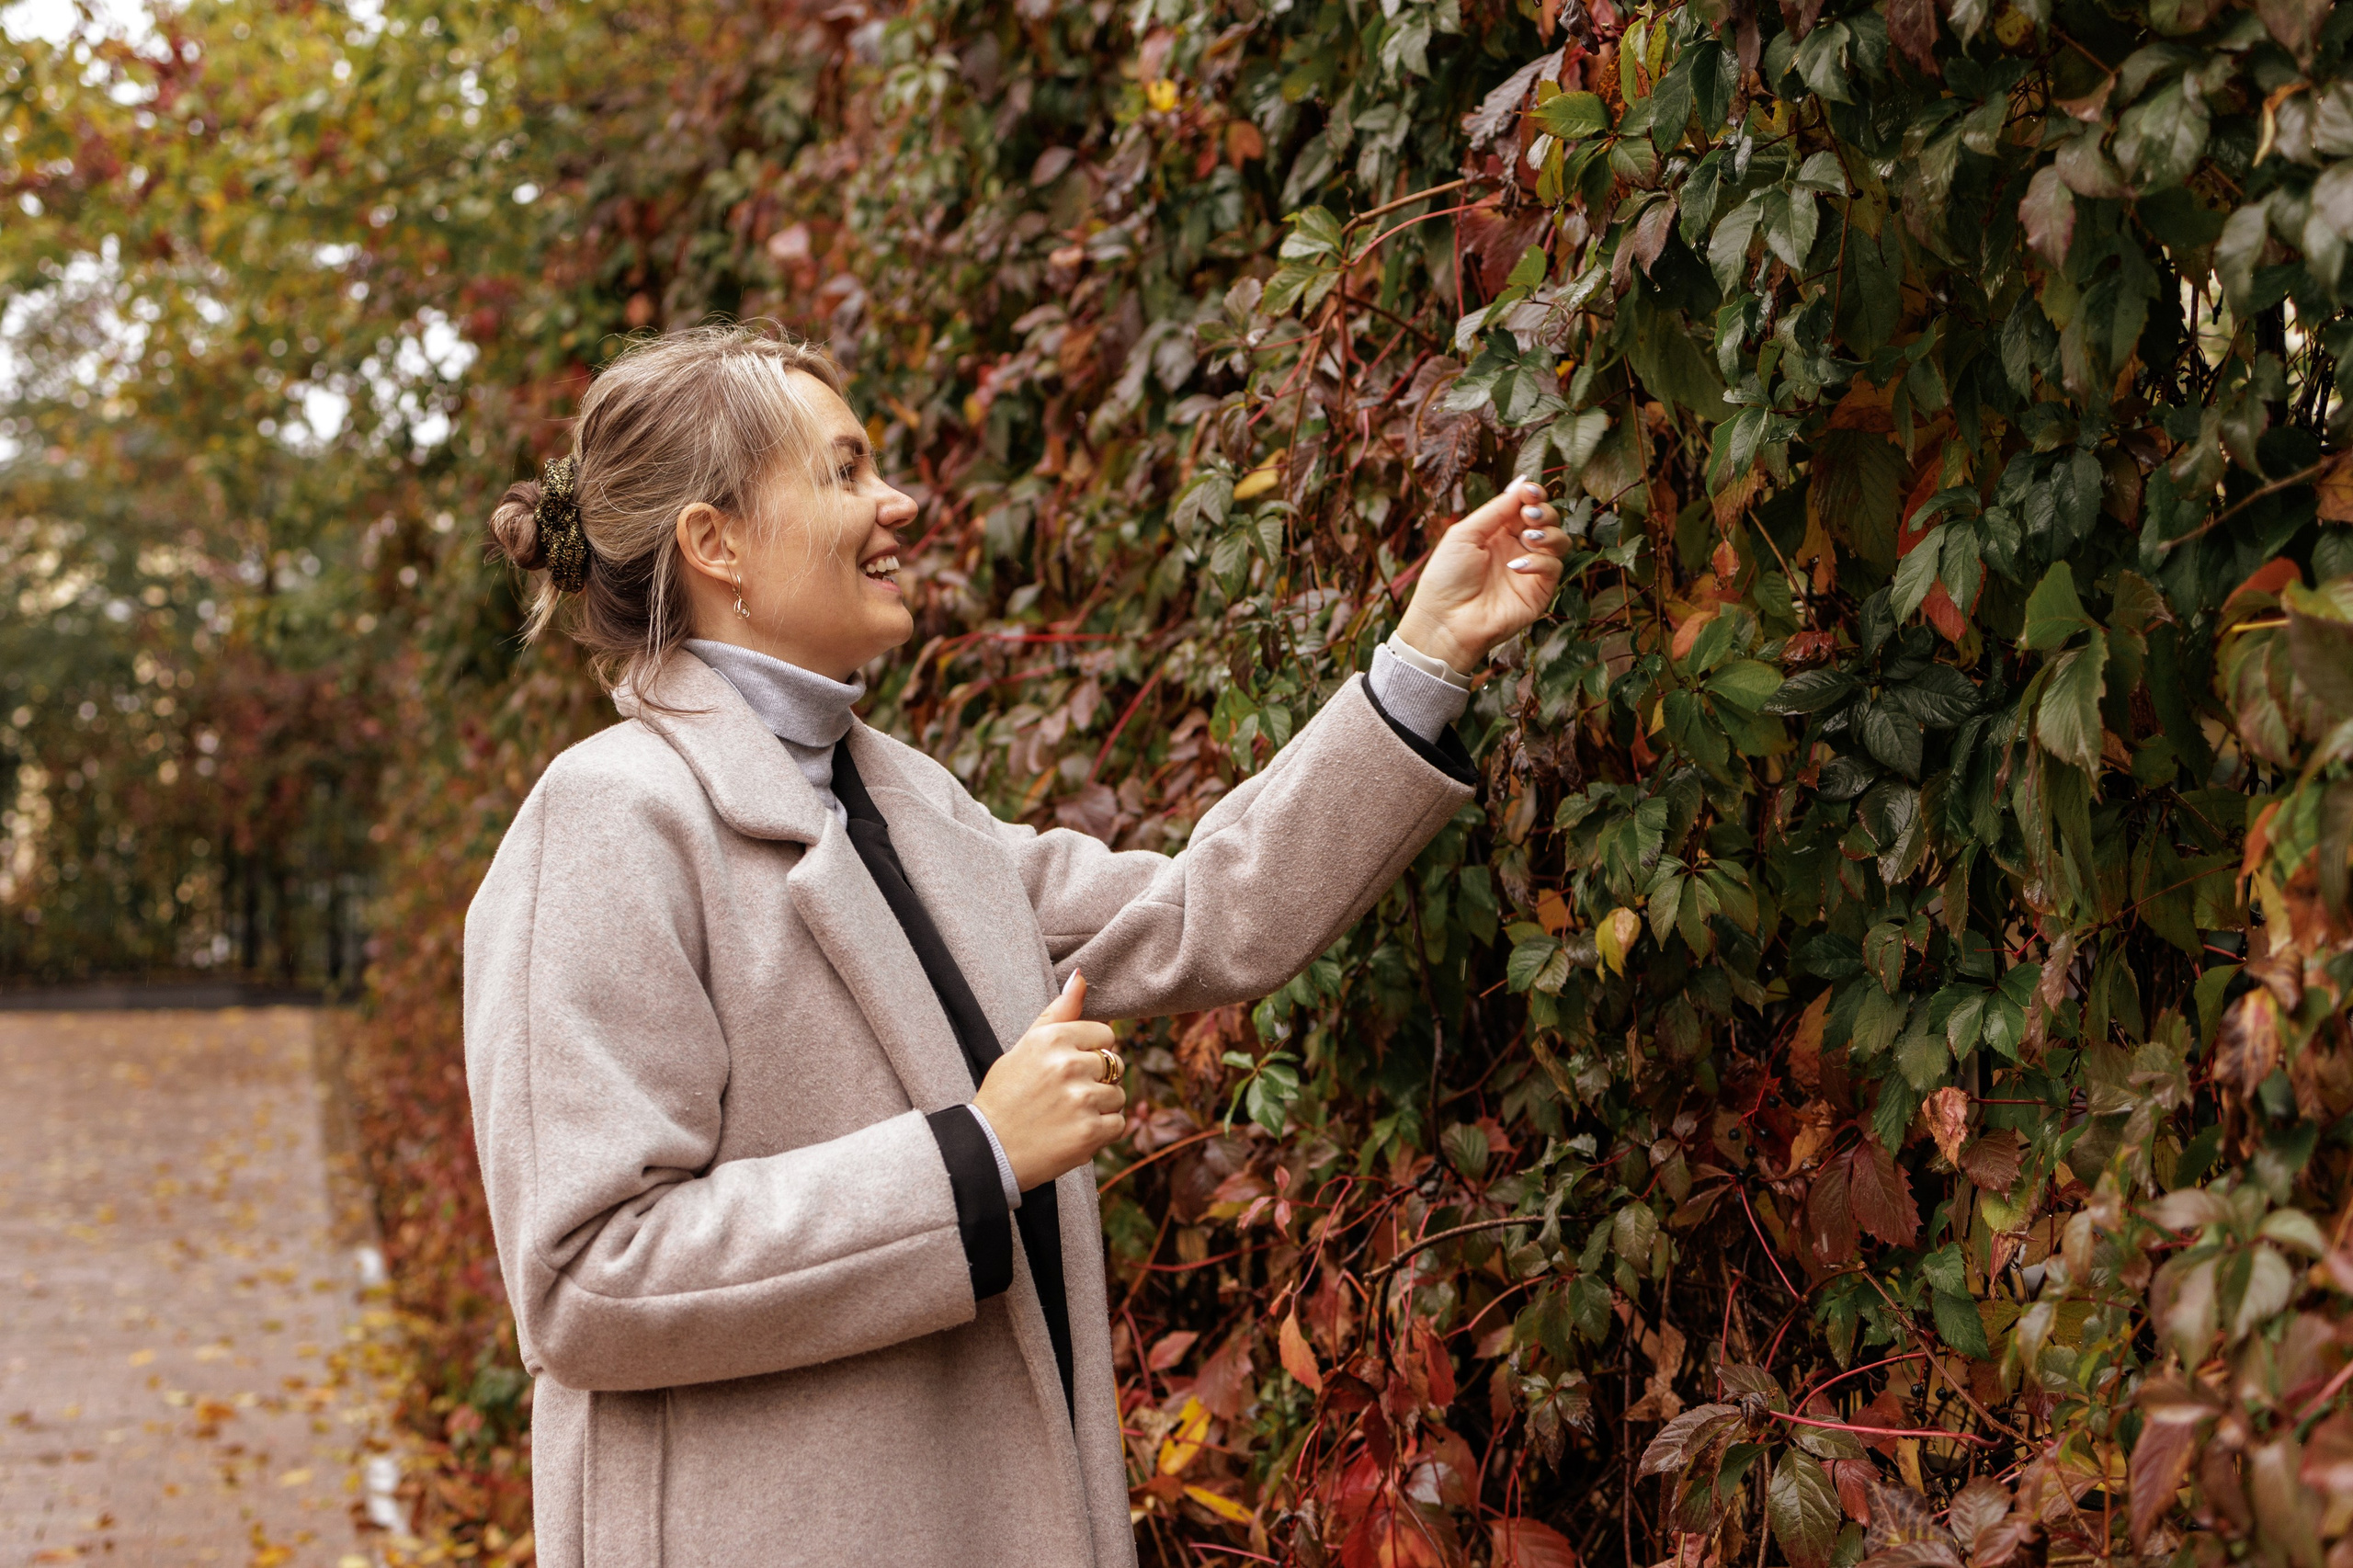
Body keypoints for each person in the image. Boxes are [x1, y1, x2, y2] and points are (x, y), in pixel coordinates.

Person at [464, 323, 1567, 1567]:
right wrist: (973, 1157)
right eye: (842, 473)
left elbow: (1212, 908)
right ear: (717, 544)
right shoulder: (610, 819)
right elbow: (587, 1279)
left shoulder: (909, 803)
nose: (901, 502)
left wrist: (1425, 660)